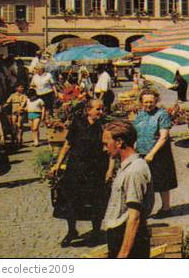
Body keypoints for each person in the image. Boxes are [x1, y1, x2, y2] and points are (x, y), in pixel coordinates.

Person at [50, 98, 111, 246]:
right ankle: (72, 230)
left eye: (102, 109)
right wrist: (58, 163)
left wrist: (109, 170)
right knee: (71, 201)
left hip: (96, 169)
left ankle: (96, 232)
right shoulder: (77, 123)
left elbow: (109, 151)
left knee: (95, 201)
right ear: (88, 110)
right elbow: (68, 144)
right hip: (75, 168)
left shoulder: (104, 126)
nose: (101, 112)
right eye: (98, 109)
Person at [101, 119, 153, 258]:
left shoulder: (134, 171)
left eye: (106, 144)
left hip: (129, 241)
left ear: (119, 142)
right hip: (119, 235)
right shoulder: (126, 167)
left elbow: (134, 217)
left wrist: (123, 254)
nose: (104, 149)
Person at [132, 90, 177, 217]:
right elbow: (136, 133)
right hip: (141, 152)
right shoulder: (140, 115)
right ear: (141, 102)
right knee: (144, 182)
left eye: (151, 102)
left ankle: (166, 208)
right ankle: (145, 209)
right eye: (145, 102)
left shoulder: (162, 114)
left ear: (156, 101)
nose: (148, 104)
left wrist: (152, 153)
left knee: (162, 181)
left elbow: (164, 136)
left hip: (158, 152)